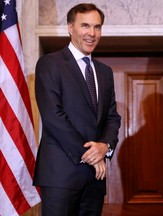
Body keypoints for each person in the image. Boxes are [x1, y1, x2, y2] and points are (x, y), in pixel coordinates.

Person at [33, 3, 121, 216]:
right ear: (70, 28)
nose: (92, 33)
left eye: (97, 27)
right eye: (85, 26)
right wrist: (91, 154)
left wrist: (105, 146)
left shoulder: (104, 72)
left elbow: (112, 118)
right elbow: (54, 116)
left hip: (94, 179)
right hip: (60, 176)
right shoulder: (50, 63)